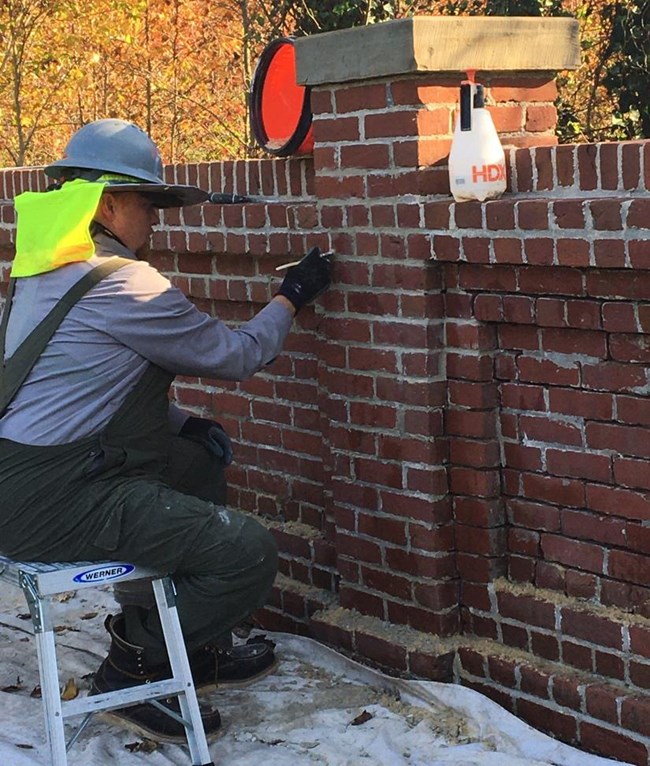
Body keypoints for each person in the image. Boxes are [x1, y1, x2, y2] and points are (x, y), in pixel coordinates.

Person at [0, 118, 331, 741]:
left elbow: (82, 385)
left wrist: (183, 422)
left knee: (196, 460)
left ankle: (195, 650)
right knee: (246, 552)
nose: (156, 220)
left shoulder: (43, 270)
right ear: (108, 202)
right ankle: (135, 667)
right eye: (148, 204)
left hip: (17, 482)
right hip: (54, 498)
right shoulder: (123, 282)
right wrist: (290, 297)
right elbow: (235, 356)